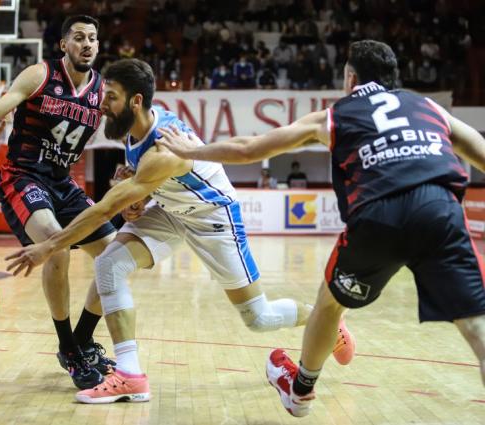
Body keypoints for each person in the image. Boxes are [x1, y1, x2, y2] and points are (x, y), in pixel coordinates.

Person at [155, 40, 485, 417]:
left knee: (330, 305)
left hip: (379, 213)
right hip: (440, 208)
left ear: (350, 78)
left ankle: (300, 392)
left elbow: (249, 149)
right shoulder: (429, 107)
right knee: (477, 328)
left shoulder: (335, 114)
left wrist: (189, 150)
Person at [4, 58, 356, 404]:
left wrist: (49, 245)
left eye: (110, 96)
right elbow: (138, 191)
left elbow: (107, 208)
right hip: (172, 212)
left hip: (212, 217)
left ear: (135, 101)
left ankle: (326, 324)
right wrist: (139, 197)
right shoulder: (134, 130)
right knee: (110, 264)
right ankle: (130, 375)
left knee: (258, 317)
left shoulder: (163, 149)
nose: (102, 104)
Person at [0, 15, 117, 390]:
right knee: (56, 244)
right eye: (79, 38)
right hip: (22, 176)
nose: (87, 44)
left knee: (116, 255)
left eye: (93, 39)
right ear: (64, 45)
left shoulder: (103, 92)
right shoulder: (40, 74)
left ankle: (84, 338)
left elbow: (132, 129)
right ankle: (68, 348)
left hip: (63, 183)